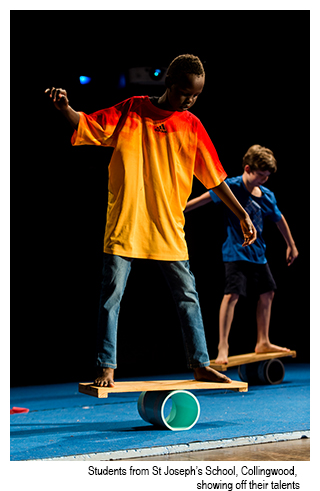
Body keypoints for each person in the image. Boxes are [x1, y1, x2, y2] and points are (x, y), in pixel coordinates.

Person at [45, 54, 256, 387]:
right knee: (111, 295)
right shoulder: (133, 109)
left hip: (167, 225)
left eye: (196, 95)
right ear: (169, 84)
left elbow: (215, 178)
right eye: (185, 92)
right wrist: (65, 110)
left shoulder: (193, 126)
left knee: (188, 296)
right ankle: (106, 366)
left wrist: (242, 213)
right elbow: (92, 127)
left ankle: (200, 363)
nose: (190, 100)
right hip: (127, 220)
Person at [185, 144, 298, 364]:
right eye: (260, 175)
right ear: (247, 168)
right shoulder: (232, 187)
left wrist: (291, 245)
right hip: (236, 251)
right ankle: (223, 347)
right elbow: (203, 200)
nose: (264, 180)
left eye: (267, 177)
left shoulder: (266, 195)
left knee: (268, 293)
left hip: (259, 254)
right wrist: (178, 211)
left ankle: (263, 341)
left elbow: (279, 219)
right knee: (232, 295)